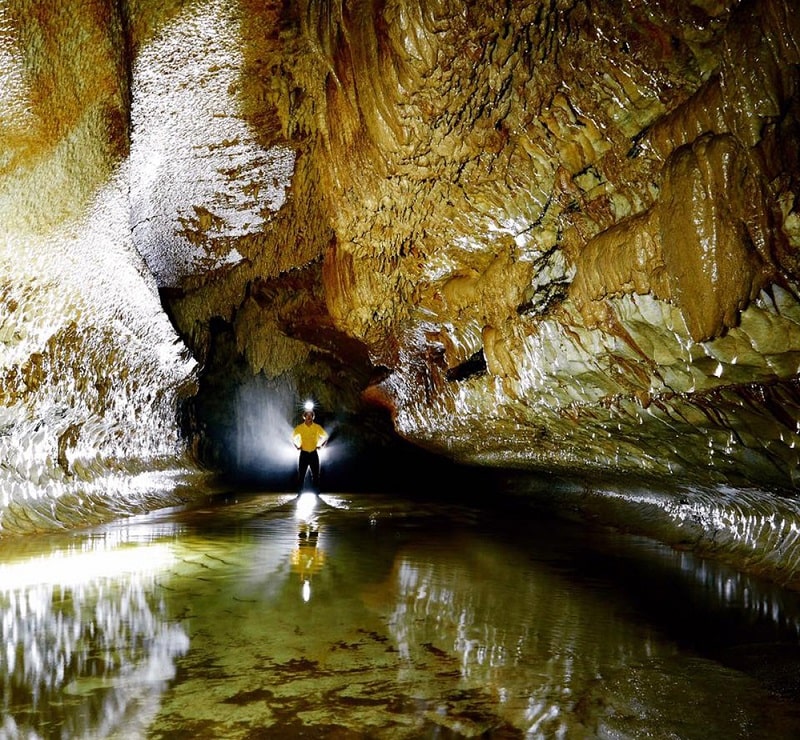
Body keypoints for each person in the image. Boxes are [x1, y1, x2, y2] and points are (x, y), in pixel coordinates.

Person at [292, 409, 328, 493]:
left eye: (310, 415)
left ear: (313, 417)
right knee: (301, 474)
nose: (309, 417)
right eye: (307, 415)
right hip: (304, 453)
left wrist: (321, 445)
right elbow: (292, 438)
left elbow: (326, 436)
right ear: (304, 417)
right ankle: (300, 491)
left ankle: (316, 492)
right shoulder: (299, 428)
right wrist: (297, 446)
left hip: (313, 453)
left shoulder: (317, 427)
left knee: (316, 475)